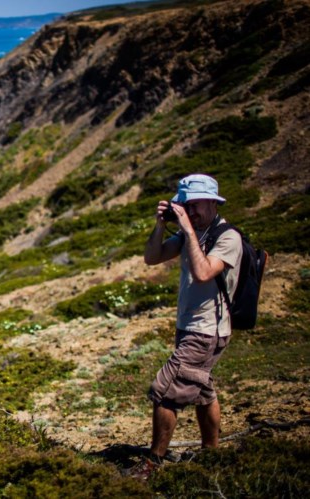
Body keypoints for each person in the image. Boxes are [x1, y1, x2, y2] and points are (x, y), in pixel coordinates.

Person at [136, 173, 242, 478]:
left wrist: (186, 229)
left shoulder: (228, 237)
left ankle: (152, 464)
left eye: (196, 206)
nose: (191, 212)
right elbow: (152, 257)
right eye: (186, 206)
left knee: (165, 391)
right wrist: (161, 225)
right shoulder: (189, 234)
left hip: (207, 330)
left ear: (213, 202)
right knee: (203, 391)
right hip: (190, 326)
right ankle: (212, 454)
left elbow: (204, 272)